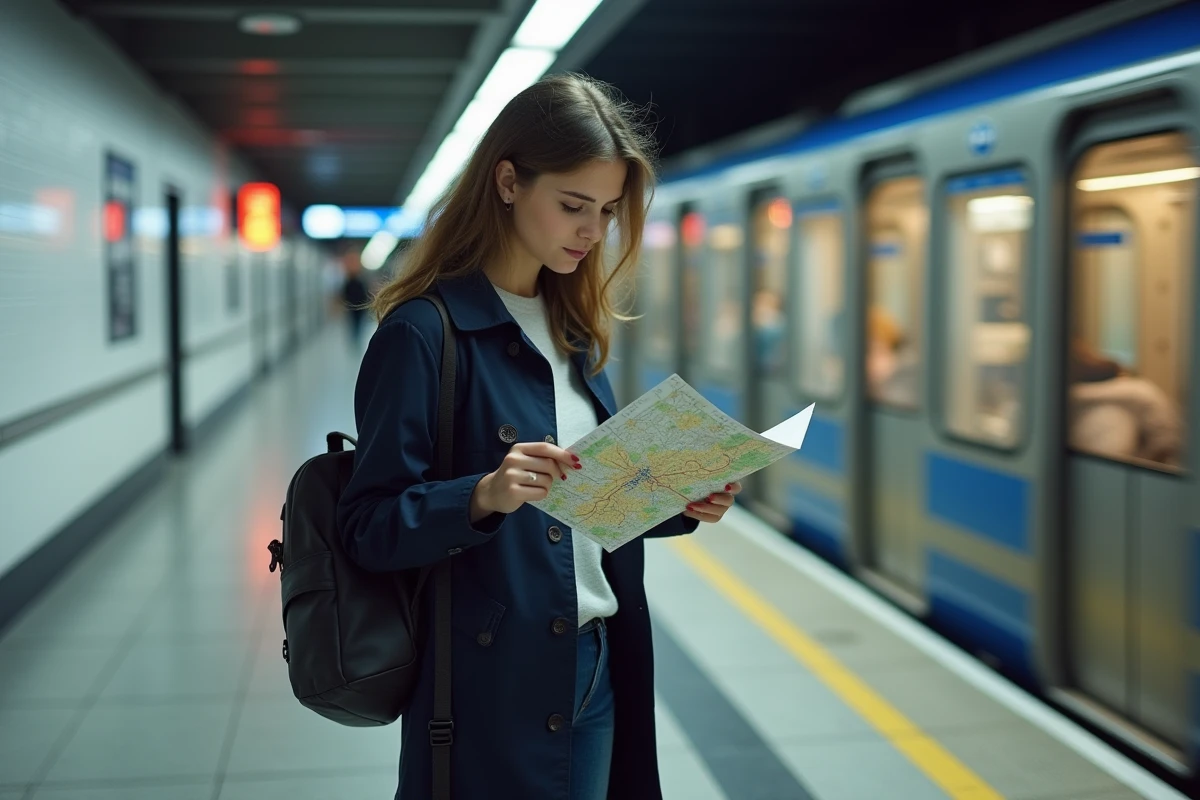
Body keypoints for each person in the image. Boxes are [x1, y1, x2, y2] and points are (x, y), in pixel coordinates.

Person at [335, 73, 743, 800]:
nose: (593, 232)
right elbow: (366, 527)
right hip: (493, 682)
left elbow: (581, 502)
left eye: (609, 211)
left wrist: (679, 499)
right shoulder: (425, 333)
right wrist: (482, 495)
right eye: (573, 206)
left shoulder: (572, 331)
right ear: (507, 182)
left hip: (600, 663)